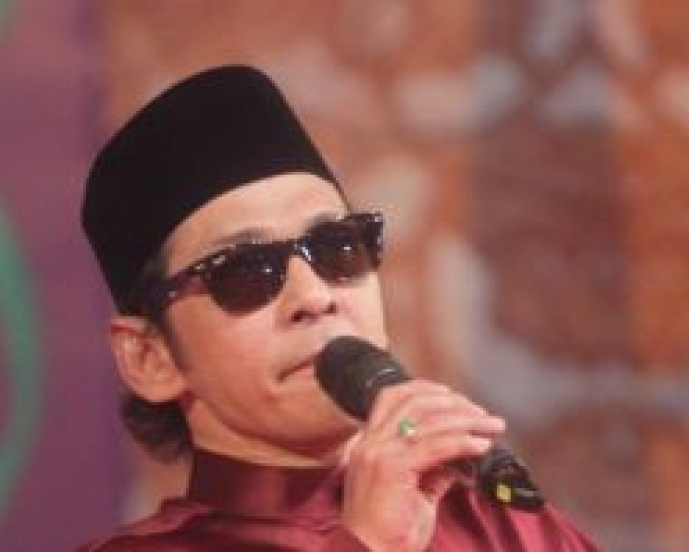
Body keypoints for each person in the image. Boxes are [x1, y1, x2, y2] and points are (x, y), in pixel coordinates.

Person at [78, 64, 601, 551]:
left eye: (337, 248)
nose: (314, 296)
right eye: (245, 272)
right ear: (150, 358)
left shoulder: (508, 527)